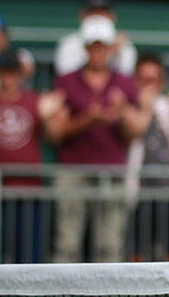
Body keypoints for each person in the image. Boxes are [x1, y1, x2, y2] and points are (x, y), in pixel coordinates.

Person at [45, 15, 140, 263]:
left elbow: (132, 135)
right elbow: (56, 132)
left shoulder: (126, 83)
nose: (98, 51)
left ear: (110, 48)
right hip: (73, 171)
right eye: (93, 45)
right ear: (85, 47)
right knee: (67, 243)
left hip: (112, 171)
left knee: (109, 246)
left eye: (102, 45)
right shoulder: (65, 81)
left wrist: (121, 117)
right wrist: (87, 119)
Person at [0, 47, 62, 263]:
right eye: (5, 72)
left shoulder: (34, 101)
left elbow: (55, 137)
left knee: (29, 256)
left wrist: (45, 118)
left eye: (14, 72)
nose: (9, 78)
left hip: (28, 191)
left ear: (21, 74)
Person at [123, 51, 169, 261]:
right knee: (137, 252)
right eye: (144, 80)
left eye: (154, 80)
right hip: (140, 193)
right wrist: (146, 108)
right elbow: (134, 130)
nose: (149, 85)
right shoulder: (130, 106)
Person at [54, 0, 138, 77]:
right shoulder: (68, 43)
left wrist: (115, 52)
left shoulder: (123, 44)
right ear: (82, 15)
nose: (97, 16)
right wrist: (105, 55)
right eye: (92, 11)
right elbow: (65, 75)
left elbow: (126, 76)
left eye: (102, 12)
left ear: (112, 16)